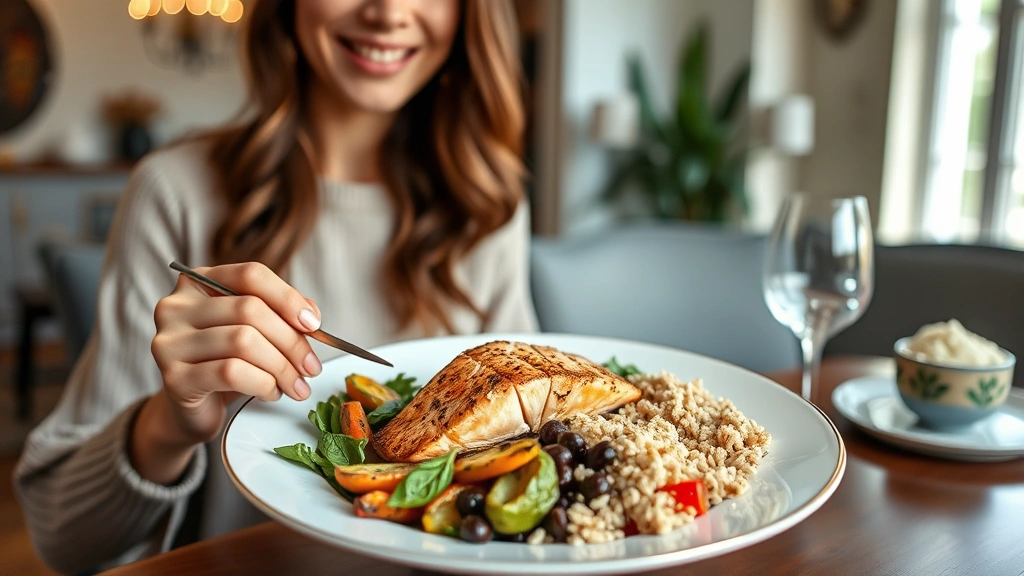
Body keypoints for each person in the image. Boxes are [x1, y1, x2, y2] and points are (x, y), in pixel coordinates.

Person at [14, 0, 537, 573]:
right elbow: (60, 540)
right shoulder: (174, 192)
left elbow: (538, 446)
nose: (389, 13)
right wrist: (169, 423)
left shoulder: (488, 207)